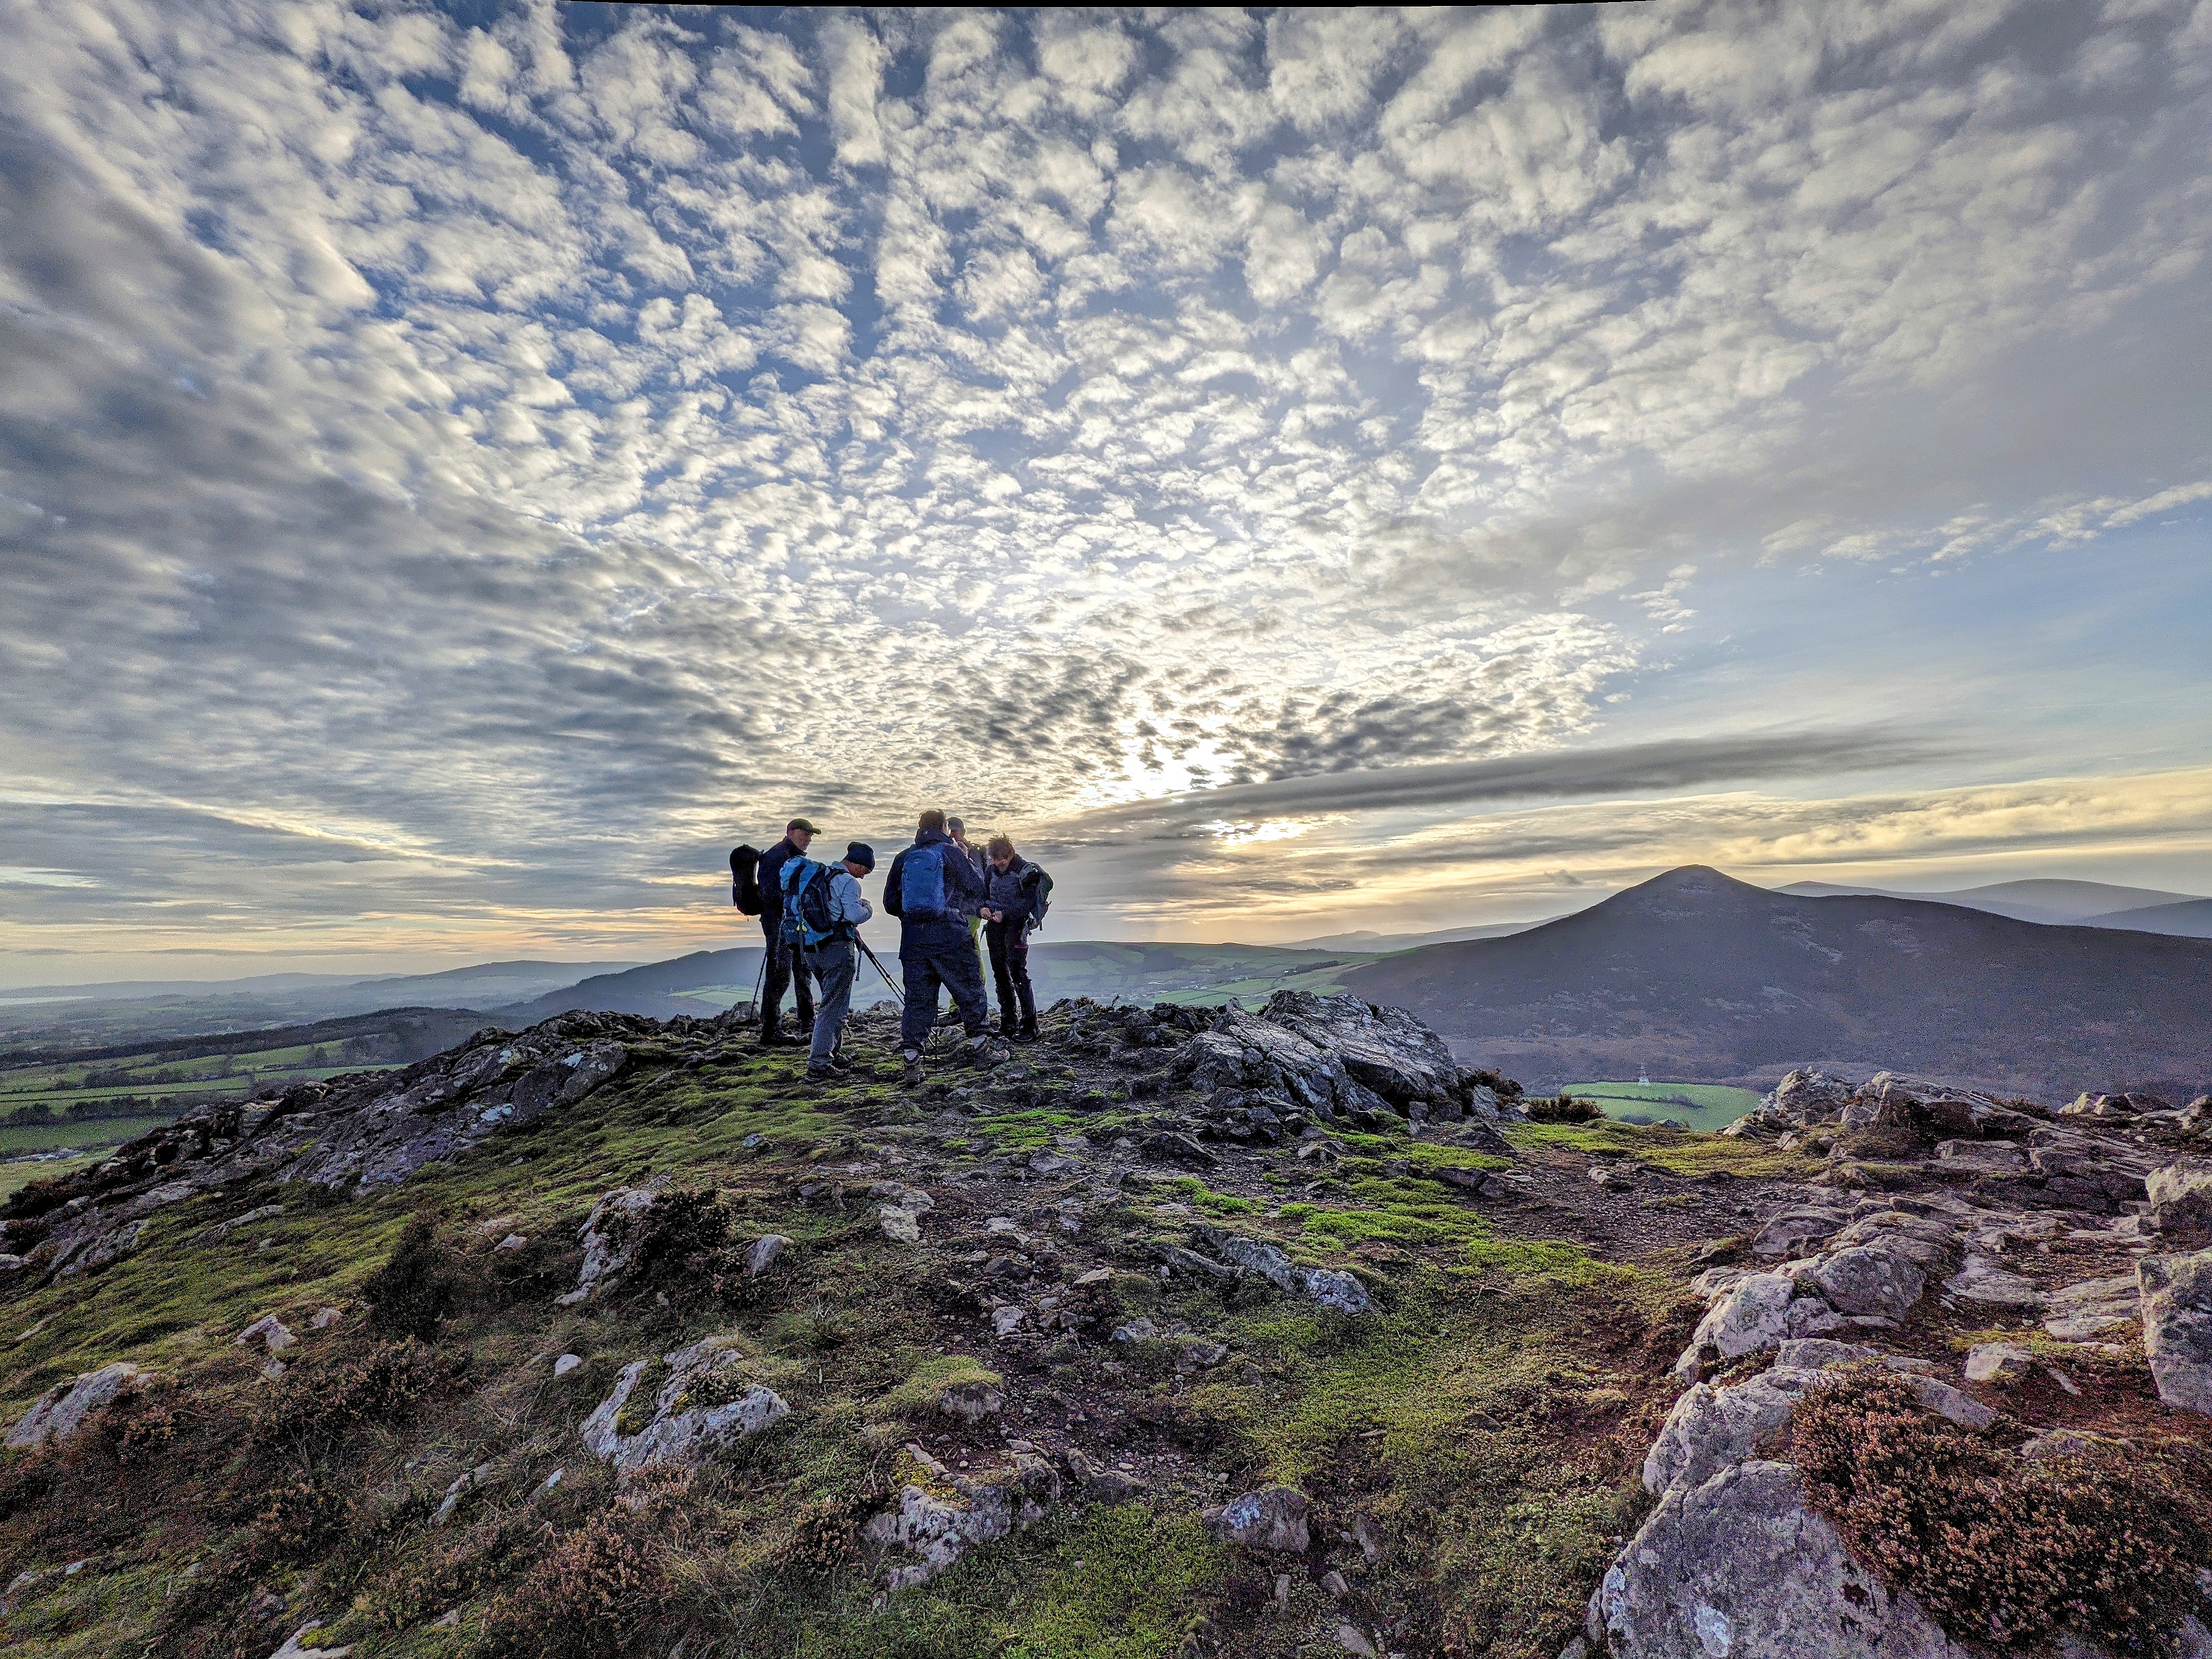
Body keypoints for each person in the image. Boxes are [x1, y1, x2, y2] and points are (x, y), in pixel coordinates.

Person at [883, 809, 992, 1087]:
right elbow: (975, 887)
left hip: (913, 942)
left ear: (920, 828)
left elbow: (891, 904)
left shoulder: (904, 858)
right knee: (969, 988)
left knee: (918, 1000)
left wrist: (914, 916)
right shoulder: (951, 853)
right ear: (944, 827)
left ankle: (912, 1058)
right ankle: (981, 1047)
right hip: (951, 936)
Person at [802, 842, 876, 1082]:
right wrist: (868, 908)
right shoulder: (848, 882)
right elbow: (854, 915)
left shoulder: (820, 875)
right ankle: (819, 1064)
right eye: (864, 870)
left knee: (831, 1000)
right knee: (833, 1007)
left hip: (811, 949)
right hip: (837, 949)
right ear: (855, 864)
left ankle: (832, 1052)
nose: (863, 876)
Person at [755, 818, 817, 1046]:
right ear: (790, 832)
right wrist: (797, 901)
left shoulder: (793, 858)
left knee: (802, 969)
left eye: (810, 835)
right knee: (780, 974)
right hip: (779, 924)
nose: (808, 839)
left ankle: (807, 1019)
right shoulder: (775, 857)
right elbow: (769, 893)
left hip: (792, 923)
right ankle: (770, 1030)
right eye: (805, 834)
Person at [979, 834, 1040, 1042]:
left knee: (1018, 972)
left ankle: (1030, 1025)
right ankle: (1008, 1022)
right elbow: (984, 895)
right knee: (1000, 973)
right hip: (995, 925)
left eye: (1003, 858)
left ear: (1011, 853)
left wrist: (1005, 914)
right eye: (995, 859)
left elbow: (1029, 902)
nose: (1000, 863)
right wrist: (983, 909)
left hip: (1016, 926)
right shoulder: (990, 871)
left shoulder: (1024, 871)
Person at [946, 815, 991, 1020]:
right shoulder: (951, 852)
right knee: (965, 954)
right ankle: (962, 1004)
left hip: (969, 912)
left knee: (968, 954)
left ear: (963, 833)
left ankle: (965, 1005)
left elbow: (976, 882)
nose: (952, 834)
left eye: (956, 831)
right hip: (957, 912)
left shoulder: (971, 853)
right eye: (950, 830)